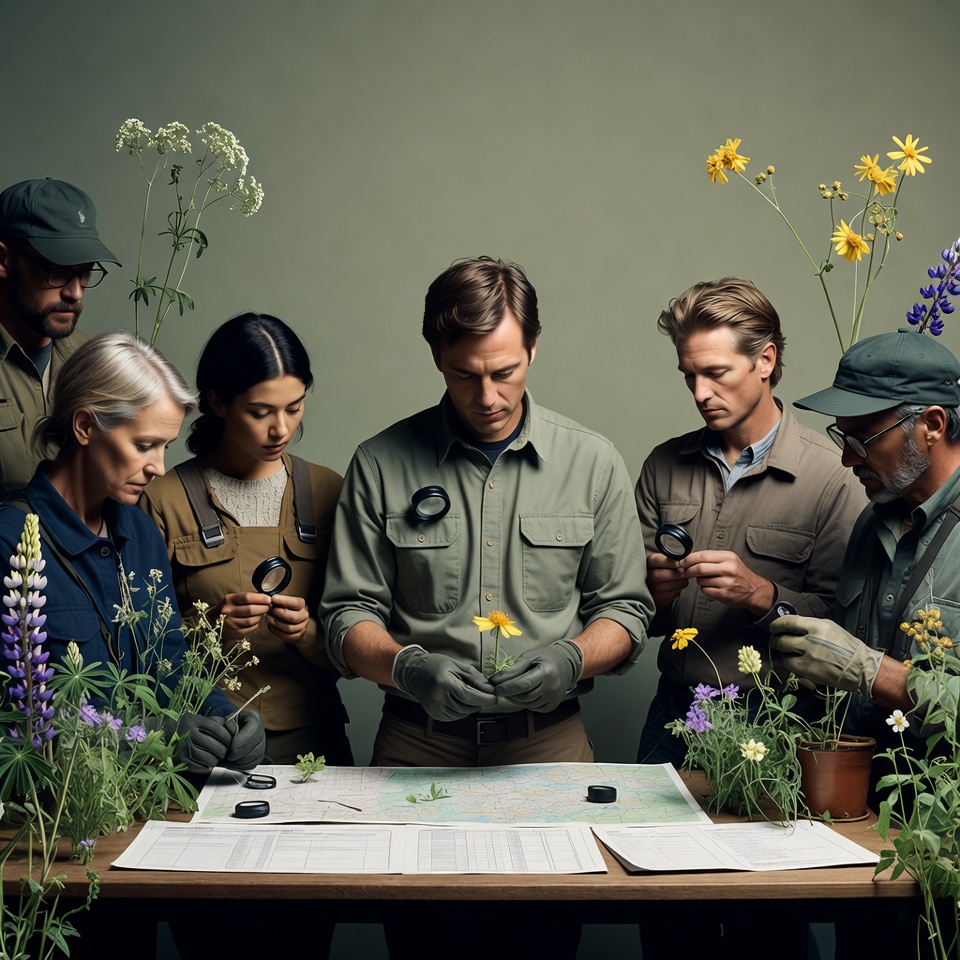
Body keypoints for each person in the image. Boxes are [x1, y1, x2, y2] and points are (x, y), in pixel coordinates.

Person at [321, 256, 650, 960]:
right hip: (416, 754)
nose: (488, 395)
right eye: (464, 375)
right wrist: (410, 669)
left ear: (534, 348)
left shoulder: (592, 462)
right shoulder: (380, 463)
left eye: (505, 371)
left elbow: (626, 611)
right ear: (437, 358)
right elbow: (345, 617)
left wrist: (571, 659)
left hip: (548, 753)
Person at [0, 329, 265, 960]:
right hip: (48, 844)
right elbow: (18, 717)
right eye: (144, 445)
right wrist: (157, 736)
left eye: (166, 446)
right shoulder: (11, 540)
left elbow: (170, 660)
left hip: (145, 828)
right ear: (85, 426)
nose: (159, 466)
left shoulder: (139, 533)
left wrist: (226, 718)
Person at [635, 278, 866, 768]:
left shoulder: (835, 476)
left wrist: (761, 595)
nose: (700, 393)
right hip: (673, 714)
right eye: (689, 376)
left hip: (777, 722)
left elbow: (848, 628)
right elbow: (631, 615)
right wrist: (655, 594)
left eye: (716, 373)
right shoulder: (663, 465)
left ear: (765, 360)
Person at [141, 312, 352, 765]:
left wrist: (308, 633)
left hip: (314, 742)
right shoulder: (162, 499)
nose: (281, 429)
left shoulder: (328, 491)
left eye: (294, 407)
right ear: (217, 402)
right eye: (260, 412)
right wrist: (212, 629)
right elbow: (141, 650)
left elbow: (359, 639)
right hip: (207, 741)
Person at [772, 328, 960, 741]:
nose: (846, 458)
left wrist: (871, 673)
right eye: (843, 437)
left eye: (862, 440)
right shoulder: (871, 521)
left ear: (932, 424)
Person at [0, 178, 120, 493]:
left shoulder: (97, 363)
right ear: (3, 260)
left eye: (85, 272)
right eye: (58, 271)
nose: (75, 293)